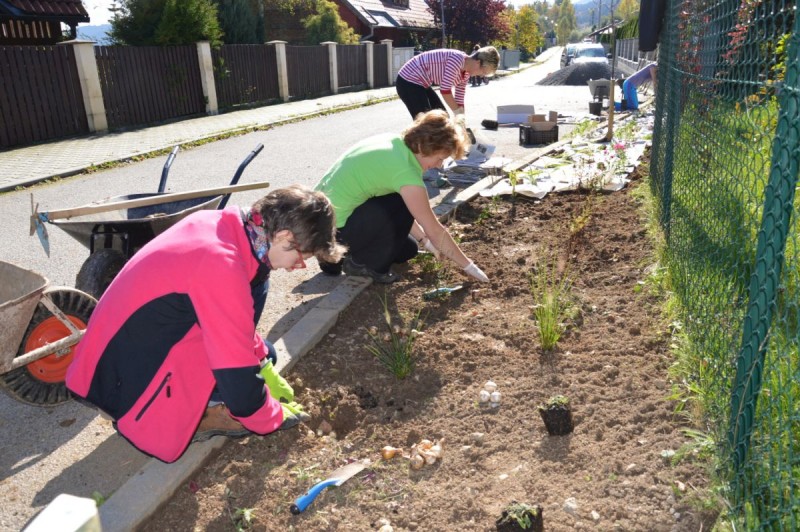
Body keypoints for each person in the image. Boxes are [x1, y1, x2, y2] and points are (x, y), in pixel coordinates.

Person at [66, 185, 346, 463]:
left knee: (266, 353)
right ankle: (203, 414)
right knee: (241, 386)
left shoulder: (225, 226)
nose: (293, 267)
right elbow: (235, 369)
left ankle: (206, 399)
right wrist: (268, 415)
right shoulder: (220, 266)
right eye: (299, 259)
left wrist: (262, 365)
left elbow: (235, 328)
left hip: (110, 356)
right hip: (118, 383)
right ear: (284, 236)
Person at [315, 109, 490, 285]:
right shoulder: (407, 174)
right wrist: (470, 267)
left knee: (408, 249)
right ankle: (364, 265)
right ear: (424, 148)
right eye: (440, 158)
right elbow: (433, 228)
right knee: (403, 200)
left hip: (318, 224)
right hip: (335, 232)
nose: (439, 166)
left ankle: (333, 259)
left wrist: (425, 242)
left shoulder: (393, 142)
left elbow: (402, 215)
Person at [396, 46, 500, 120]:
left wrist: (461, 119)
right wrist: (457, 113)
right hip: (407, 80)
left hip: (422, 83)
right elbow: (445, 90)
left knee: (443, 118)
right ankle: (412, 148)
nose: (482, 76)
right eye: (484, 72)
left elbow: (459, 97)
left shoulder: (466, 73)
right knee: (427, 122)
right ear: (478, 63)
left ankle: (439, 149)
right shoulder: (457, 60)